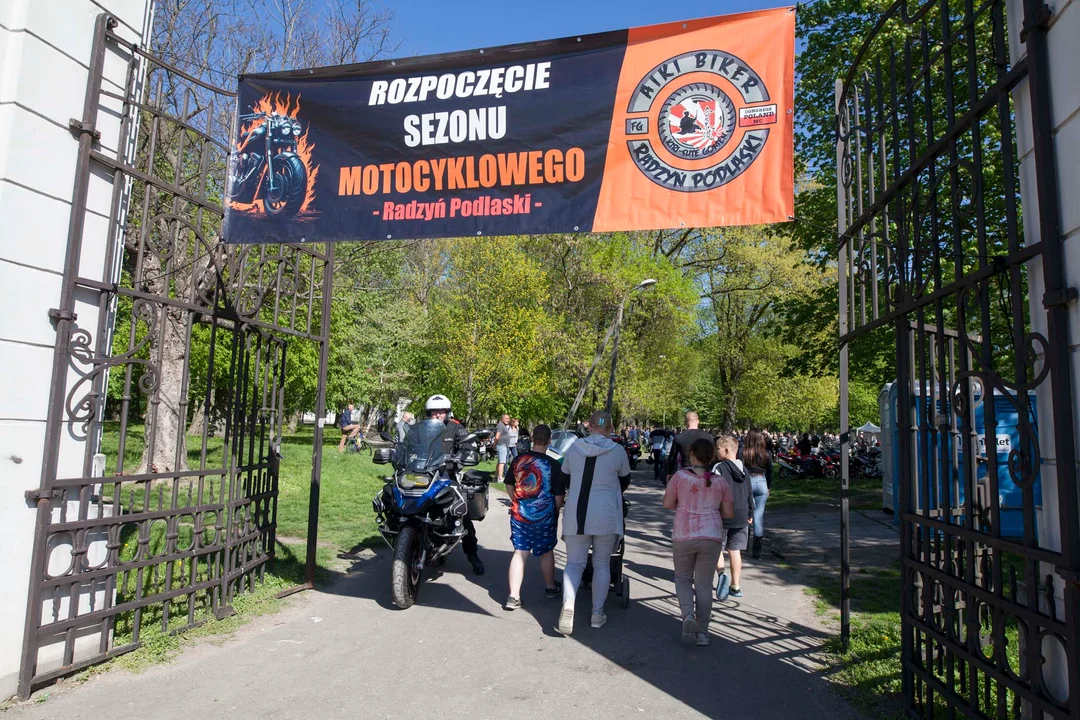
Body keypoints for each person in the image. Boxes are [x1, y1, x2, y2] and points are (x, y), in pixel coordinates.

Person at [557, 410, 631, 635]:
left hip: (577, 513)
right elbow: (625, 481)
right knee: (601, 564)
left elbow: (564, 477)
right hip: (605, 513)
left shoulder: (574, 448)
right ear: (610, 428)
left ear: (589, 426)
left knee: (574, 563)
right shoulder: (618, 451)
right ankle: (597, 613)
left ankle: (569, 604)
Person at [663, 437, 734, 646]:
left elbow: (667, 503)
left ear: (692, 455)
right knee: (704, 583)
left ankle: (688, 615)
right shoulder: (720, 481)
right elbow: (729, 513)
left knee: (683, 577)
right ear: (711, 457)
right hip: (711, 535)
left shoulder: (680, 477)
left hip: (684, 534)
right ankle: (703, 632)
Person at [417, 394, 486, 574]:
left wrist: (460, 457)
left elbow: (468, 447)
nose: (437, 414)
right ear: (428, 413)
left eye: (441, 411)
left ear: (447, 412)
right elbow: (408, 445)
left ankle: (473, 555)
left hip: (446, 476)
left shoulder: (456, 428)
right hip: (422, 475)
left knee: (461, 512)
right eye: (434, 412)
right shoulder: (420, 429)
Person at [504, 424, 564, 610]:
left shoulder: (518, 460)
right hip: (545, 517)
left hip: (520, 515)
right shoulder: (553, 464)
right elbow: (559, 495)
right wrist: (554, 511)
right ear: (549, 441)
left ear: (532, 438)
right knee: (546, 552)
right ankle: (550, 587)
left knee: (520, 552)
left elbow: (509, 483)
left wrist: (515, 500)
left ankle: (513, 596)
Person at [713, 435, 752, 601]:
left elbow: (713, 490)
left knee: (716, 547)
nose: (716, 452)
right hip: (742, 514)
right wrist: (750, 513)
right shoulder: (744, 470)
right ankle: (735, 586)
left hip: (722, 514)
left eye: (718, 449)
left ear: (726, 450)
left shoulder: (719, 468)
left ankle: (722, 573)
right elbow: (749, 493)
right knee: (735, 550)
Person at [743, 428, 773, 559]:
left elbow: (740, 469)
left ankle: (744, 544)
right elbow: (770, 472)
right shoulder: (765, 454)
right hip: (761, 481)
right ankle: (757, 549)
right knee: (758, 516)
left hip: (748, 481)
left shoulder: (744, 453)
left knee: (746, 513)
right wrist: (768, 487)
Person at [666, 411, 715, 482]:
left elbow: (672, 458)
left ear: (685, 422)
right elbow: (713, 456)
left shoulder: (679, 437)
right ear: (698, 421)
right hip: (705, 473)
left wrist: (669, 473)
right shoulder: (709, 437)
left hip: (685, 474)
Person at [494, 413, 512, 483]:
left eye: (508, 419)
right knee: (502, 462)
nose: (508, 420)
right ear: (502, 419)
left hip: (503, 445)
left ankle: (496, 477)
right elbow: (497, 436)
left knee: (499, 462)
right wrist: (494, 444)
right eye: (506, 418)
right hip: (502, 445)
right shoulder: (501, 426)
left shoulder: (502, 425)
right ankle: (500, 478)